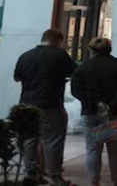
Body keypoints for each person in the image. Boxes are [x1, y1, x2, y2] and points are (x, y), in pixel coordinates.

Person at [14, 28, 78, 186]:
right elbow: (75, 72)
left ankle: (31, 174)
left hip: (26, 104)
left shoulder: (25, 56)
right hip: (50, 104)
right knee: (53, 140)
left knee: (30, 140)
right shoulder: (59, 54)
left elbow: (17, 77)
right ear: (58, 40)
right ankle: (55, 176)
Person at [71, 37, 117, 186]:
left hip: (90, 114)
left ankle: (94, 181)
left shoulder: (82, 68)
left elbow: (76, 91)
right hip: (114, 114)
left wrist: (92, 104)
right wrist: (111, 105)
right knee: (116, 151)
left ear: (91, 50)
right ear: (110, 49)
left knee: (93, 150)